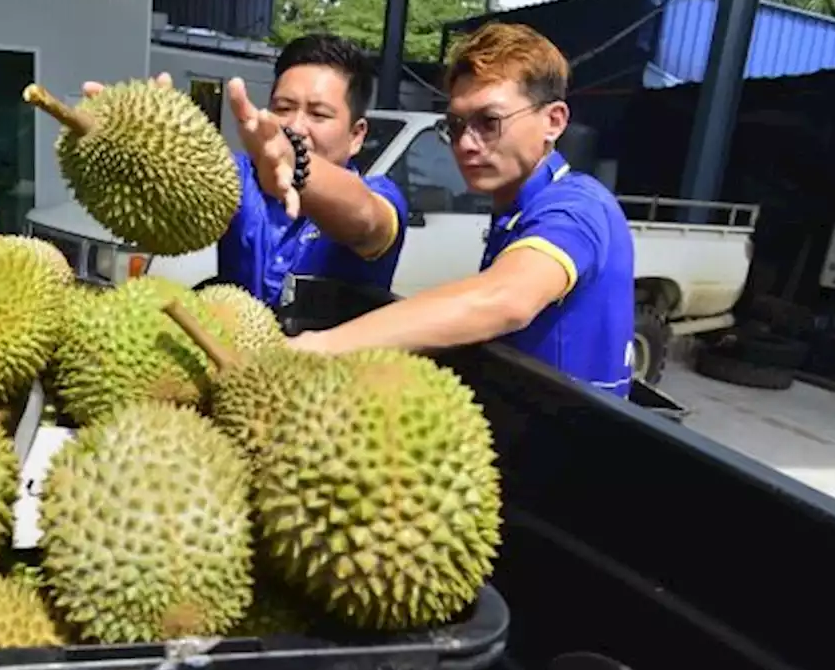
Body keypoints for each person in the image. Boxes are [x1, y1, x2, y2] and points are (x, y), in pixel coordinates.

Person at [287, 23, 636, 398]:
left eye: (489, 122)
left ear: (553, 121)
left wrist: (321, 347)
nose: (467, 144)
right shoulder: (513, 212)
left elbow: (504, 298)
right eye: (455, 125)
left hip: (575, 446)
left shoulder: (578, 206)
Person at [83, 34, 409, 307]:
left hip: (332, 380)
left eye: (319, 114)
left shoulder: (380, 195)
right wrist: (142, 143)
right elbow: (180, 193)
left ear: (356, 135)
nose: (295, 126)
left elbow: (367, 219)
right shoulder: (239, 178)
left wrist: (294, 165)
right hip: (233, 369)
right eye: (283, 108)